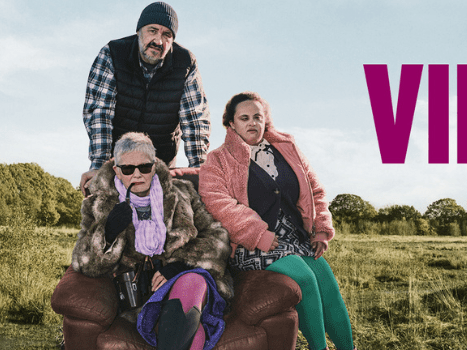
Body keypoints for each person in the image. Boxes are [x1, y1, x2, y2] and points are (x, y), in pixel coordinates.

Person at [199, 92, 355, 350]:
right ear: (231, 123)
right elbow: (218, 204)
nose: (252, 123)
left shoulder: (287, 148)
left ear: (265, 120)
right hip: (250, 243)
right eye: (244, 118)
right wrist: (258, 234)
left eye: (257, 117)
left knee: (326, 281)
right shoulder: (218, 160)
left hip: (295, 237)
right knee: (304, 278)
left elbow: (314, 190)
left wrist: (321, 230)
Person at [72, 132, 232, 350]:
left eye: (144, 167)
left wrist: (179, 266)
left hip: (188, 281)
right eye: (128, 169)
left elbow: (217, 236)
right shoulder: (99, 205)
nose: (136, 174)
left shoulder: (183, 192)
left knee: (191, 281)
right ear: (117, 171)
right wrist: (109, 232)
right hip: (144, 297)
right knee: (193, 336)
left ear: (154, 166)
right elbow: (83, 262)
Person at [79, 1, 211, 194]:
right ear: (139, 31)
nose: (158, 40)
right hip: (119, 162)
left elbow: (195, 120)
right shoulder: (112, 55)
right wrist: (99, 165)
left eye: (167, 35)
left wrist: (200, 167)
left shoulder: (185, 64)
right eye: (152, 31)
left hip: (161, 162)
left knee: (164, 217)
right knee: (112, 216)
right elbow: (99, 113)